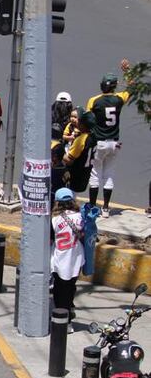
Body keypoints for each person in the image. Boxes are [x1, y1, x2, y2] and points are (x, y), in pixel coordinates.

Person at [86, 59, 132, 215]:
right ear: (113, 86)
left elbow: (88, 120)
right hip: (114, 143)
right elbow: (132, 88)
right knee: (109, 175)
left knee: (95, 174)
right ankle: (105, 208)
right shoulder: (119, 99)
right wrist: (127, 70)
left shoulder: (94, 101)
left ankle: (93, 206)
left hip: (99, 142)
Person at [51, 188, 84, 328]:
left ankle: (65, 322)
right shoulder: (80, 217)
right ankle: (69, 310)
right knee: (71, 288)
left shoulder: (54, 220)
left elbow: (50, 240)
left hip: (60, 261)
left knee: (59, 292)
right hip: (76, 260)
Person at [61, 108, 93, 193]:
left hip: (76, 174)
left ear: (83, 124)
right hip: (86, 173)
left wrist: (59, 151)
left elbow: (69, 160)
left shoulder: (81, 139)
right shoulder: (93, 137)